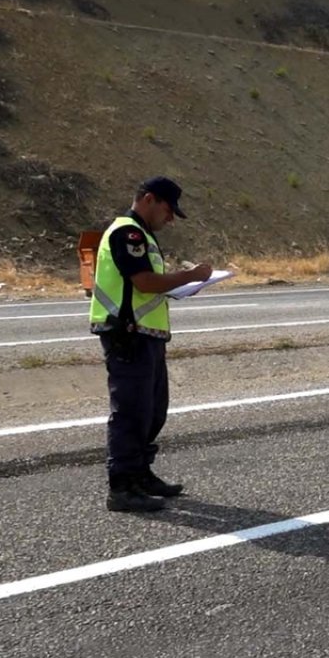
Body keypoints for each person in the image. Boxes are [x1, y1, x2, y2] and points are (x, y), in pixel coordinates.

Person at [88, 176, 212, 512]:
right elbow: (144, 281)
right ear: (148, 199)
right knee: (130, 412)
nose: (170, 219)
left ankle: (141, 474)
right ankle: (123, 486)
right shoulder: (127, 233)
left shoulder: (144, 236)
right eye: (168, 210)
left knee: (152, 410)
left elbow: (150, 286)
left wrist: (181, 284)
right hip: (127, 334)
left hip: (147, 335)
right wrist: (191, 276)